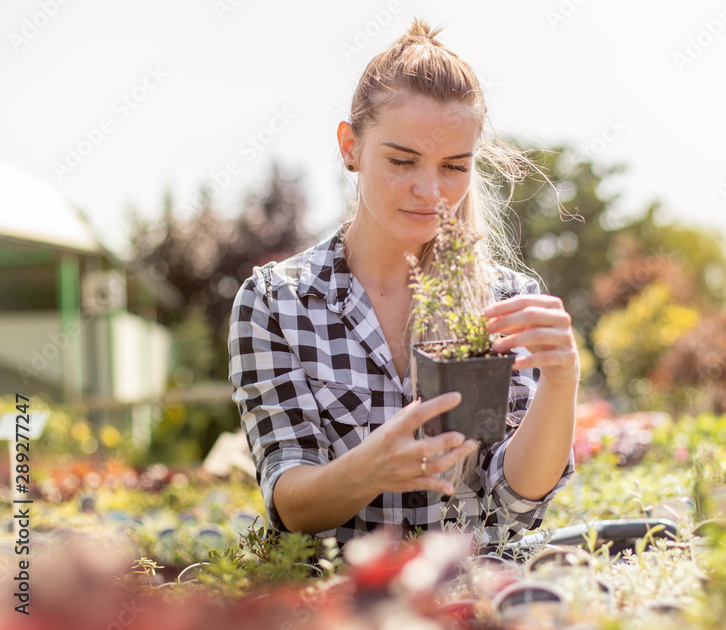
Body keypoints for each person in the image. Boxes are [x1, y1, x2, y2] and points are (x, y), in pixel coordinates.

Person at [228, 18, 578, 547]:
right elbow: (290, 502)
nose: (430, 190)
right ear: (351, 147)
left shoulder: (508, 301)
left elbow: (514, 505)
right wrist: (370, 468)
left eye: (454, 167)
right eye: (402, 160)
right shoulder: (277, 302)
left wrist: (562, 380)